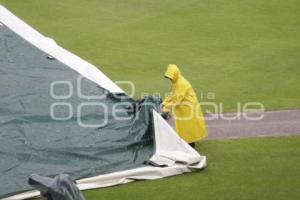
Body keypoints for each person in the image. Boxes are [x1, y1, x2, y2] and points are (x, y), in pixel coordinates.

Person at [161, 64, 207, 148]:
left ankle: (190, 146)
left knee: (188, 128)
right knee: (186, 128)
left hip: (188, 109)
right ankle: (188, 143)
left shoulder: (181, 84)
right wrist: (165, 102)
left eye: (171, 77)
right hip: (185, 109)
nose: (170, 79)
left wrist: (165, 107)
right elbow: (174, 95)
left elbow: (177, 100)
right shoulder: (177, 82)